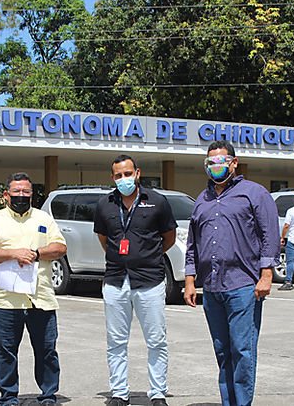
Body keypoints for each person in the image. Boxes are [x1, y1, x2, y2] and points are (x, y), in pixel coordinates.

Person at [184, 140, 280, 406]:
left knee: (242, 350)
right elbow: (193, 243)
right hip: (212, 288)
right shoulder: (202, 200)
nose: (216, 166)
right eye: (210, 162)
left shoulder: (254, 193)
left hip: (243, 286)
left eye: (220, 161)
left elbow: (269, 235)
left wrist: (266, 275)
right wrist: (190, 280)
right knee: (222, 351)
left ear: (233, 163)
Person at [93, 155, 177, 406]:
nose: (123, 179)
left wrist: (147, 255)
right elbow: (104, 239)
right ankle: (119, 392)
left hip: (149, 280)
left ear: (137, 173)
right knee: (116, 342)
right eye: (118, 176)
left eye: (128, 174)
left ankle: (158, 393)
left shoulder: (158, 202)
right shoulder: (104, 204)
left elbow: (169, 238)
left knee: (156, 340)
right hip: (116, 281)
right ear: (112, 178)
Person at [0, 172, 67, 406]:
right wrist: (13, 253)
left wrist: (36, 254)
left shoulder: (43, 218)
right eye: (16, 192)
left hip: (41, 299)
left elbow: (60, 247)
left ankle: (48, 395)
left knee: (47, 350)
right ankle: (8, 397)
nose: (21, 196)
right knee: (6, 352)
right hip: (6, 301)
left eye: (26, 192)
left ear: (32, 194)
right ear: (6, 195)